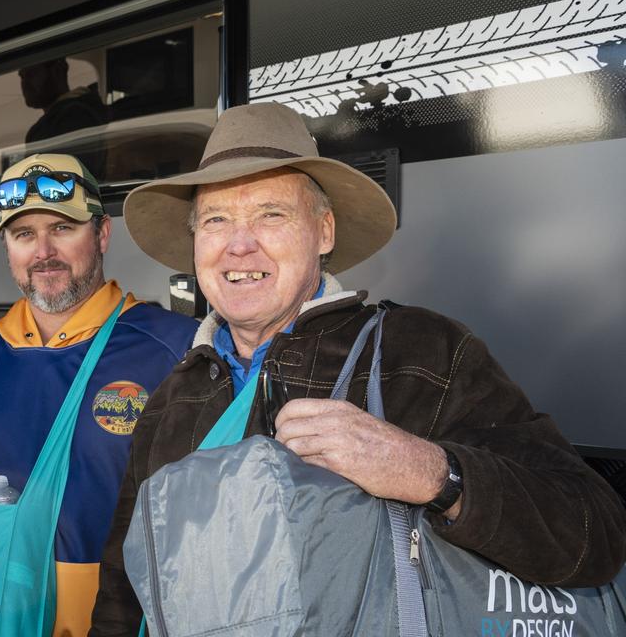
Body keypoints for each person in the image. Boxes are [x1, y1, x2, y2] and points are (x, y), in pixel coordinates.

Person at [89, 102, 626, 634]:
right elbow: (123, 591)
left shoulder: (422, 353)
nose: (239, 244)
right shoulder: (169, 400)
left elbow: (595, 532)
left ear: (323, 233)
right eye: (216, 219)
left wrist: (432, 472)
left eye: (270, 214)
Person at [0, 154, 199, 636]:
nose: (43, 251)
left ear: (102, 234)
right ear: (7, 248)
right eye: (23, 234)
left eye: (62, 228)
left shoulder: (174, 349)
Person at [21, 59, 110, 175]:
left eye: (31, 74)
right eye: (22, 76)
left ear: (58, 70)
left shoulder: (76, 116)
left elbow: (70, 180)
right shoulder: (67, 113)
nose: (24, 83)